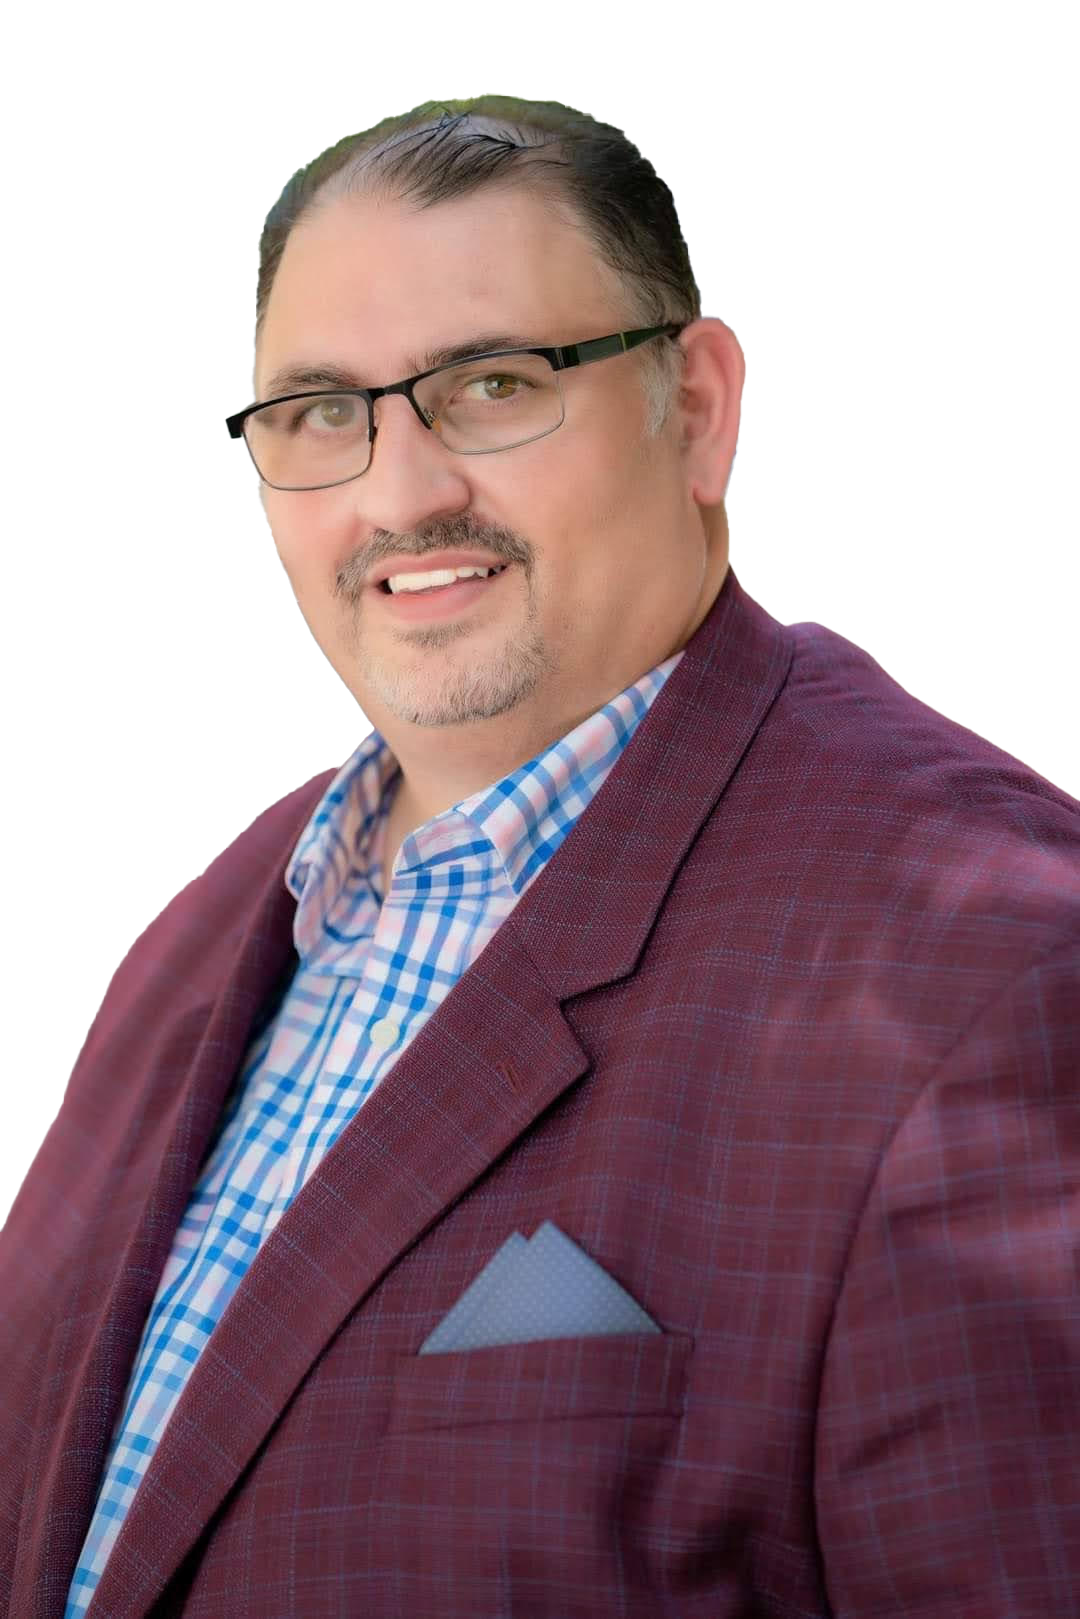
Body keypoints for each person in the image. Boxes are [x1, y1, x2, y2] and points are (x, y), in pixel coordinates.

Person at [2, 96, 1078, 1619]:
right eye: (320, 412)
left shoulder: (986, 964)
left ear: (697, 408)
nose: (398, 494)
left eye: (494, 385)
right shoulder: (207, 934)